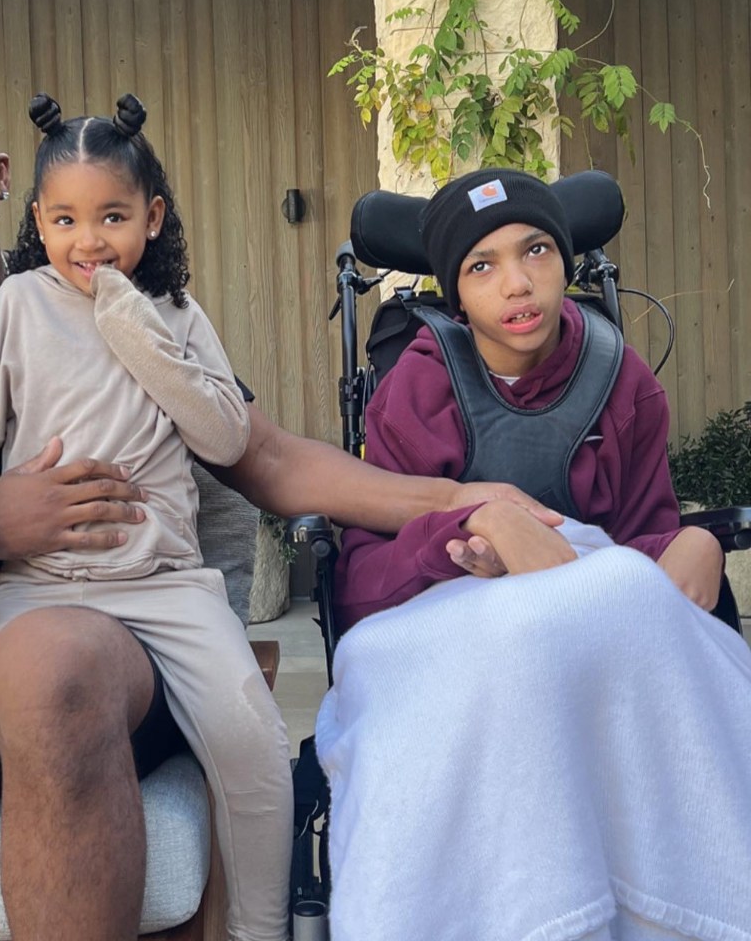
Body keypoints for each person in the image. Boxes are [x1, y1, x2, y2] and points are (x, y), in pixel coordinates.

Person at [0, 70, 560, 941]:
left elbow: (256, 451)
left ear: (4, 173)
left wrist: (452, 499)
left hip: (113, 625)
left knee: (59, 666)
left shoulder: (163, 313)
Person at [0, 89, 292, 941]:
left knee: (256, 759)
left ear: (153, 216)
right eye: (64, 220)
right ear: (37, 219)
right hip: (30, 589)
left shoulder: (176, 316)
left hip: (165, 585)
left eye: (111, 217)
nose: (88, 241)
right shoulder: (21, 306)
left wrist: (132, 323)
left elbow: (221, 434)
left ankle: (258, 931)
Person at [316, 168, 751, 941]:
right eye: (483, 266)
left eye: (537, 251)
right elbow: (361, 590)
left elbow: (631, 549)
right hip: (449, 627)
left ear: (566, 261)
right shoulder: (417, 390)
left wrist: (691, 542)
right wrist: (460, 544)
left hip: (588, 622)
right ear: (454, 291)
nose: (517, 284)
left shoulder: (624, 381)